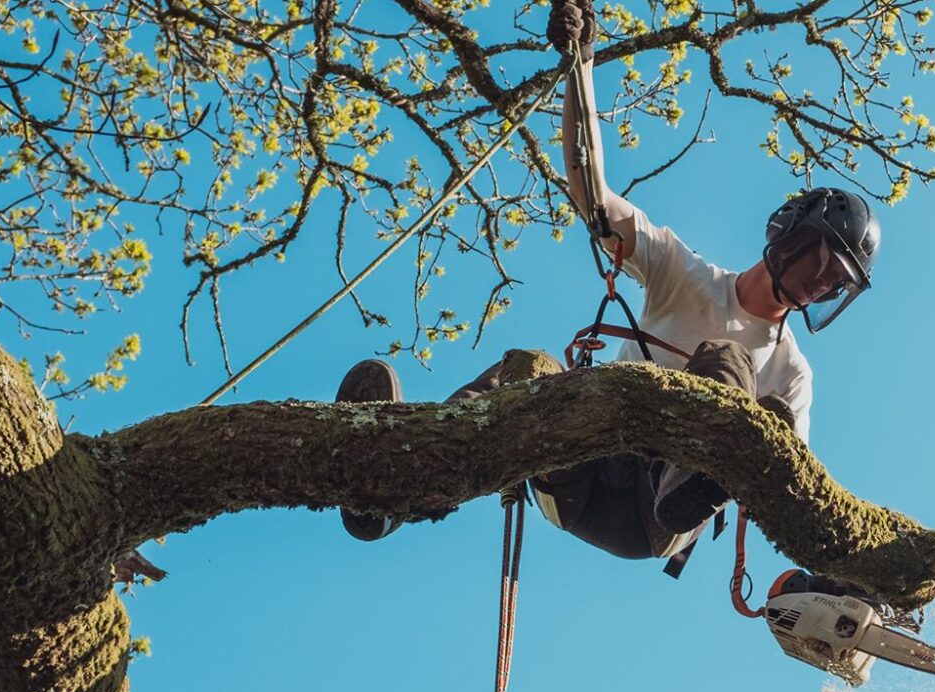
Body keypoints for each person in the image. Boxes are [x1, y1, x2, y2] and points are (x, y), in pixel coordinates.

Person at [337, 0, 880, 572]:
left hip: (656, 518)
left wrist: (840, 577)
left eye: (837, 283)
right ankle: (394, 481)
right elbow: (589, 190)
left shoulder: (789, 372)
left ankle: (686, 479)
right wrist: (581, 66)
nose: (822, 284)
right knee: (526, 370)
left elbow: (793, 490)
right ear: (791, 234)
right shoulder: (682, 273)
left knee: (729, 367)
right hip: (577, 470)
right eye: (823, 263)